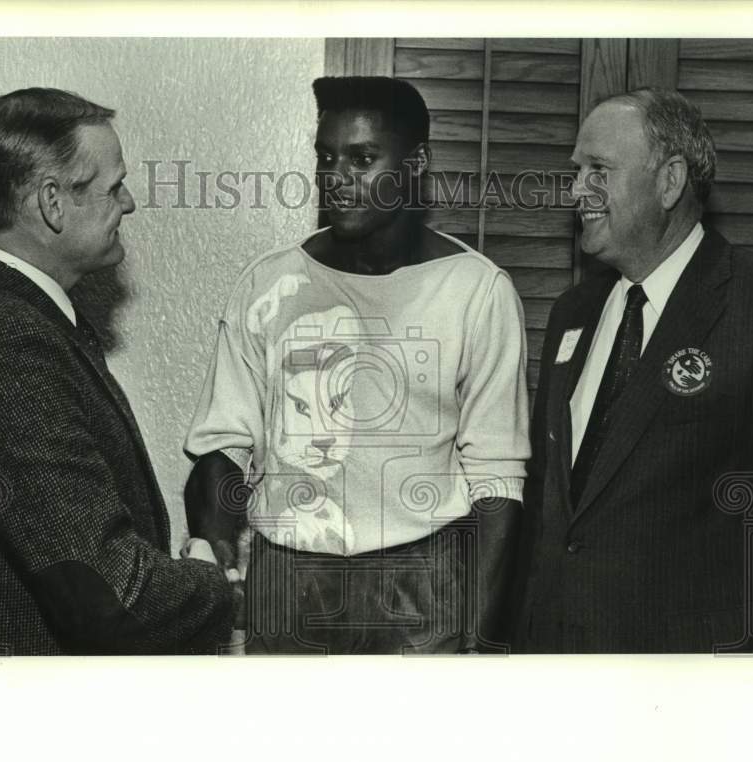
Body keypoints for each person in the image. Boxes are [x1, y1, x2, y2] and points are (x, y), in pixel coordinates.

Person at [0, 87, 233, 762]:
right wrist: (220, 582)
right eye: (114, 186)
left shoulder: (3, 318)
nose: (131, 203)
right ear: (53, 203)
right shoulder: (4, 338)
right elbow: (106, 592)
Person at [512, 87, 753, 762]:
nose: (576, 192)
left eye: (598, 170)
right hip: (557, 738)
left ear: (669, 179)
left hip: (687, 744)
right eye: (575, 172)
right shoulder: (573, 313)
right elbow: (560, 521)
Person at [183, 76, 530, 656]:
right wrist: (219, 564)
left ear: (415, 163)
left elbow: (497, 479)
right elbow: (222, 445)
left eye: (363, 158)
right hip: (289, 581)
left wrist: (482, 638)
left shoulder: (477, 290)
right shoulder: (269, 285)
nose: (336, 178)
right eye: (326, 157)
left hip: (423, 585)